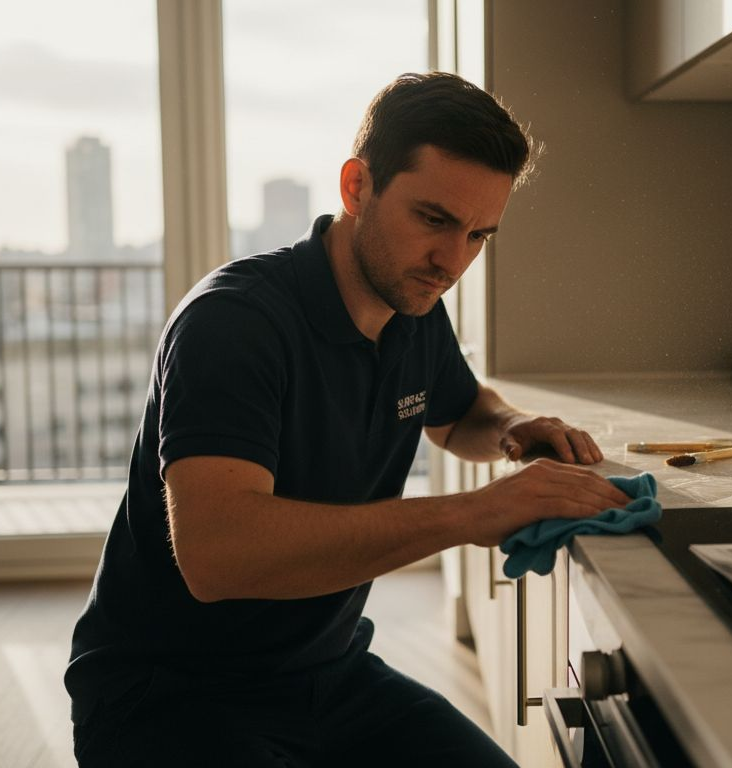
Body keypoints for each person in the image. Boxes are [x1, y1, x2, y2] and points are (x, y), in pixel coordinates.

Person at [64, 71, 630, 767]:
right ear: (357, 186)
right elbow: (217, 555)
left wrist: (514, 427)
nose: (452, 261)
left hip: (330, 679)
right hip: (171, 698)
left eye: (479, 235)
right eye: (434, 220)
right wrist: (471, 514)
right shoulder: (233, 324)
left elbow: (458, 413)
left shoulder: (412, 304)